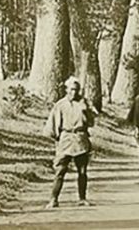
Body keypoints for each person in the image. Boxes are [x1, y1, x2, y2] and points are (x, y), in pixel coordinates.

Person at [44, 76, 96, 209]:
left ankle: (82, 198)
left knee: (82, 171)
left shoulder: (84, 103)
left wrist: (86, 111)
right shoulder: (60, 105)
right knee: (60, 170)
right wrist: (58, 139)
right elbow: (53, 125)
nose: (74, 92)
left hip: (80, 137)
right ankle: (53, 199)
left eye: (76, 90)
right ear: (66, 89)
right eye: (71, 89)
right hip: (66, 138)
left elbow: (91, 123)